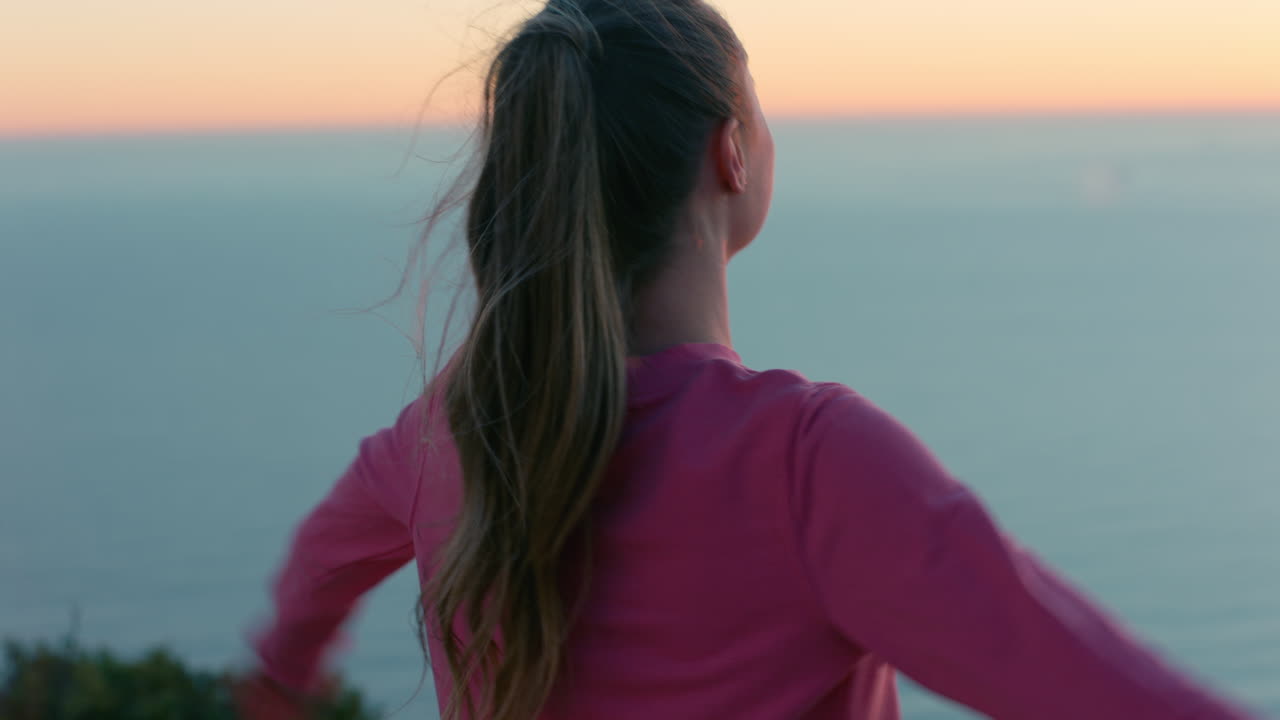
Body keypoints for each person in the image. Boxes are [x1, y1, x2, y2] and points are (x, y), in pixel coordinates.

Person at [238, 0, 1264, 718]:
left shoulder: (444, 438)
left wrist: (284, 682)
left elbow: (309, 584)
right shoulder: (804, 462)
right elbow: (1076, 681)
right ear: (731, 151)